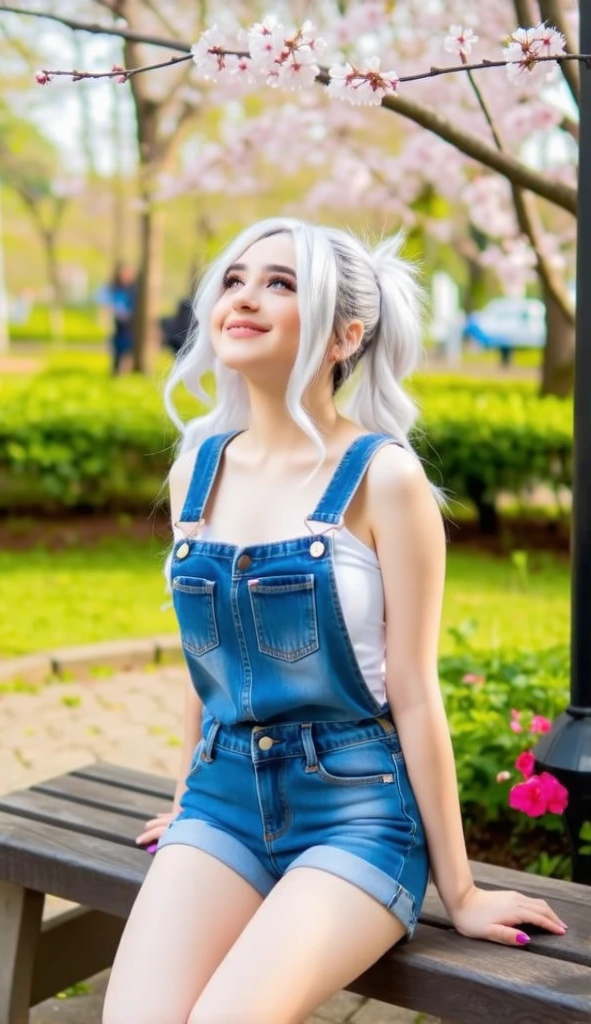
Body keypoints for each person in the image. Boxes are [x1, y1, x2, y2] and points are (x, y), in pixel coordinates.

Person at [103, 219, 566, 1024]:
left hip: (355, 815)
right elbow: (203, 662)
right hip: (221, 802)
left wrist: (457, 890)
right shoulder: (196, 469)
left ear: (343, 335)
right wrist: (183, 795)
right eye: (236, 279)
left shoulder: (385, 477)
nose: (244, 297)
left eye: (281, 283)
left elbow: (416, 693)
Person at [102, 262, 137, 375]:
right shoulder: (114, 288)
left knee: (129, 347)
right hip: (118, 324)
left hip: (130, 324)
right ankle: (116, 371)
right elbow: (107, 304)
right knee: (118, 348)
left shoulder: (134, 290)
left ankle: (127, 369)